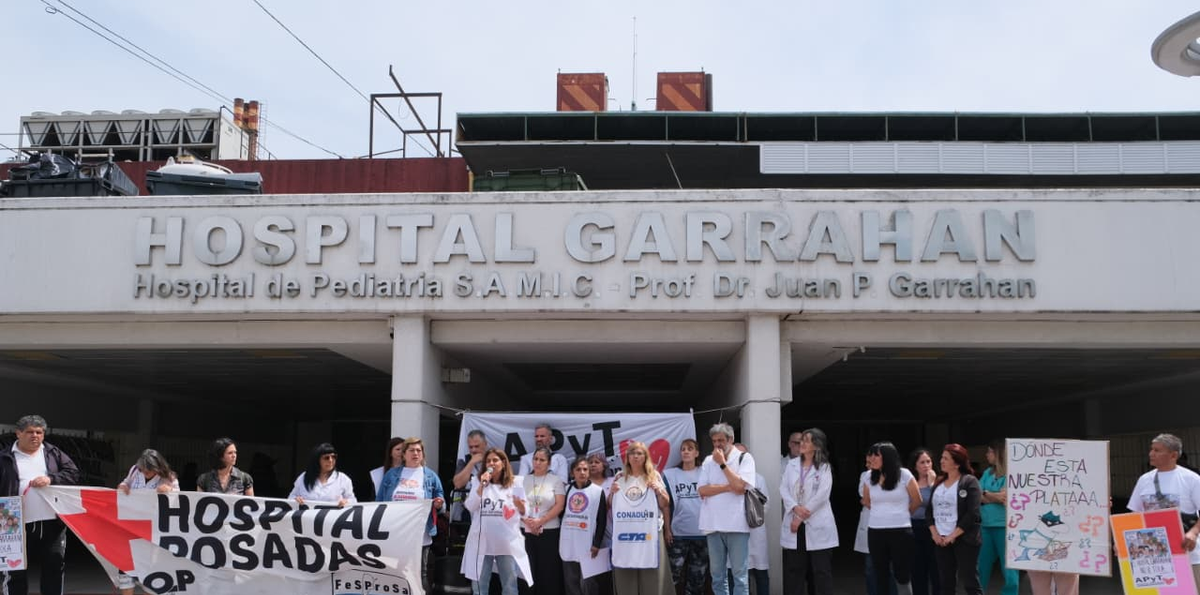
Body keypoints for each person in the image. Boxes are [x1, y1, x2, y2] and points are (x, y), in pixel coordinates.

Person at [0, 415, 80, 595]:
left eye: (39, 432)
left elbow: (73, 473)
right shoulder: (4, 457)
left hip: (52, 523)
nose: (34, 435)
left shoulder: (53, 453)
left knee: (54, 568)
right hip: (13, 524)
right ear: (18, 433)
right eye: (29, 432)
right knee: (14, 571)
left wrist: (51, 478)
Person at [1127, 433, 1200, 589]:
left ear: (1173, 455)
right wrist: (1124, 540)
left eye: (1157, 450)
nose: (1151, 454)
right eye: (1151, 449)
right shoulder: (1144, 480)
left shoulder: (1191, 479)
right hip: (1153, 557)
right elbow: (1135, 514)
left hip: (1187, 554)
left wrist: (1193, 533)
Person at [376, 437, 445, 594]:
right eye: (412, 450)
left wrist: (439, 504)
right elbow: (379, 501)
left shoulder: (430, 476)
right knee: (394, 572)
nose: (416, 453)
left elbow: (441, 501)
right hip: (395, 533)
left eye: (419, 451)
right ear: (404, 454)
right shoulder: (391, 475)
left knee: (420, 575)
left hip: (421, 535)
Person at [463, 448, 531, 595]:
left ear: (504, 462)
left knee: (509, 585)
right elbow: (470, 506)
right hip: (482, 543)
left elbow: (526, 513)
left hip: (506, 543)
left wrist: (520, 505)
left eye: (495, 460)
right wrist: (481, 486)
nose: (491, 463)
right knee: (479, 586)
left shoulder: (516, 483)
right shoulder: (477, 481)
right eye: (488, 461)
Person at [698, 422, 755, 595]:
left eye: (721, 440)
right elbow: (702, 490)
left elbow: (740, 488)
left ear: (731, 439)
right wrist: (727, 486)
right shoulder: (708, 460)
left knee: (739, 576)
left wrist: (723, 464)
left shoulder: (745, 458)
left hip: (736, 525)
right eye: (714, 441)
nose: (717, 445)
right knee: (717, 576)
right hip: (712, 525)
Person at [609, 440, 673, 594]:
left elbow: (665, 504)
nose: (635, 456)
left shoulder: (654, 475)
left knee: (652, 575)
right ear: (627, 457)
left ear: (645, 457)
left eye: (639, 453)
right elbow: (611, 504)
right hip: (626, 533)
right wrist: (611, 492)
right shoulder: (619, 476)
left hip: (650, 532)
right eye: (632, 453)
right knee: (626, 572)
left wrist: (659, 490)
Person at [780, 428, 837, 595]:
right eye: (801, 440)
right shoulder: (791, 465)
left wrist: (799, 516)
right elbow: (783, 489)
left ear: (817, 446)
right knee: (794, 570)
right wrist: (795, 508)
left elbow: (822, 496)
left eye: (806, 440)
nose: (802, 444)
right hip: (795, 523)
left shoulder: (824, 468)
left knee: (821, 571)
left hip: (816, 522)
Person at [115, 449, 179, 595]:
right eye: (143, 470)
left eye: (149, 471)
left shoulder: (169, 478)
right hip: (130, 529)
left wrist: (169, 491)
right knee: (127, 568)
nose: (145, 473)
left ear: (158, 468)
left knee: (151, 573)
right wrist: (124, 486)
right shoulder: (135, 470)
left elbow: (178, 503)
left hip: (153, 534)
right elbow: (125, 483)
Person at [863, 441, 922, 595]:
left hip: (901, 530)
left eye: (876, 455)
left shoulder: (904, 474)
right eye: (872, 455)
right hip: (876, 530)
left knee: (902, 574)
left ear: (887, 457)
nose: (872, 459)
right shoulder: (868, 476)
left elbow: (917, 500)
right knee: (880, 573)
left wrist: (902, 514)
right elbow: (867, 501)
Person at [927, 443, 982, 595]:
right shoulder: (938, 482)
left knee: (970, 582)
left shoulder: (969, 482)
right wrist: (935, 533)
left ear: (957, 463)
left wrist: (953, 535)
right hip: (941, 540)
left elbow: (973, 513)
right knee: (946, 583)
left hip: (964, 539)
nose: (941, 461)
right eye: (941, 458)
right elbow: (929, 511)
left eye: (946, 458)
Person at [663, 438, 707, 595]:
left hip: (702, 534)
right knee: (672, 576)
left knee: (697, 579)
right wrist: (667, 529)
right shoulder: (669, 474)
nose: (686, 451)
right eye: (683, 449)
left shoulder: (706, 472)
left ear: (696, 453)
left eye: (690, 448)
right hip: (678, 535)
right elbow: (665, 505)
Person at [560, 457, 609, 595]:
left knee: (589, 583)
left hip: (588, 543)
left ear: (589, 472)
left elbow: (601, 520)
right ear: (572, 473)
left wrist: (597, 544)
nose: (582, 472)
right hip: (568, 541)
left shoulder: (597, 491)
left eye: (585, 469)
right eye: (578, 469)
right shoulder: (566, 489)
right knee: (571, 582)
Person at [521, 447, 566, 595]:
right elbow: (514, 503)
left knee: (548, 571)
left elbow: (559, 505)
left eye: (542, 460)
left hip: (549, 531)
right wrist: (527, 520)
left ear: (549, 463)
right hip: (525, 530)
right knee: (528, 570)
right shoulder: (523, 480)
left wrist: (540, 521)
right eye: (535, 459)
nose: (538, 463)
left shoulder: (556, 480)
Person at [977, 440, 1017, 595]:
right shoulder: (988, 472)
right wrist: (992, 495)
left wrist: (986, 493)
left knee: (1009, 569)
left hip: (1005, 526)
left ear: (999, 453)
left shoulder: (1012, 473)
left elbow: (1005, 497)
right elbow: (977, 495)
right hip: (985, 525)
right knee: (982, 566)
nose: (987, 455)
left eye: (990, 451)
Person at [733, 443, 769, 595]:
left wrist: (750, 517)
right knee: (739, 574)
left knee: (760, 573)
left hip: (755, 531)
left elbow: (766, 505)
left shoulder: (758, 479)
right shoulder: (725, 479)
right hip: (734, 533)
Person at [909, 448, 940, 595]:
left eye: (928, 461)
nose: (926, 465)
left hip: (933, 527)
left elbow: (940, 504)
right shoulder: (910, 482)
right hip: (914, 526)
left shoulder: (939, 481)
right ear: (915, 466)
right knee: (917, 568)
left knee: (936, 568)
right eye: (922, 462)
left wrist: (932, 483)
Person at [289, 443, 355, 507]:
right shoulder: (303, 478)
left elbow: (353, 501)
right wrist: (296, 500)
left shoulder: (343, 479)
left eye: (334, 457)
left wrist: (346, 502)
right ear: (317, 460)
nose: (331, 460)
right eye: (326, 458)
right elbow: (290, 498)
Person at [453, 430, 490, 522]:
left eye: (477, 446)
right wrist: (472, 462)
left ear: (485, 444)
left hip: (490, 511)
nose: (473, 450)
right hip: (468, 513)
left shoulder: (494, 460)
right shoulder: (464, 461)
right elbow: (458, 484)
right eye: (471, 447)